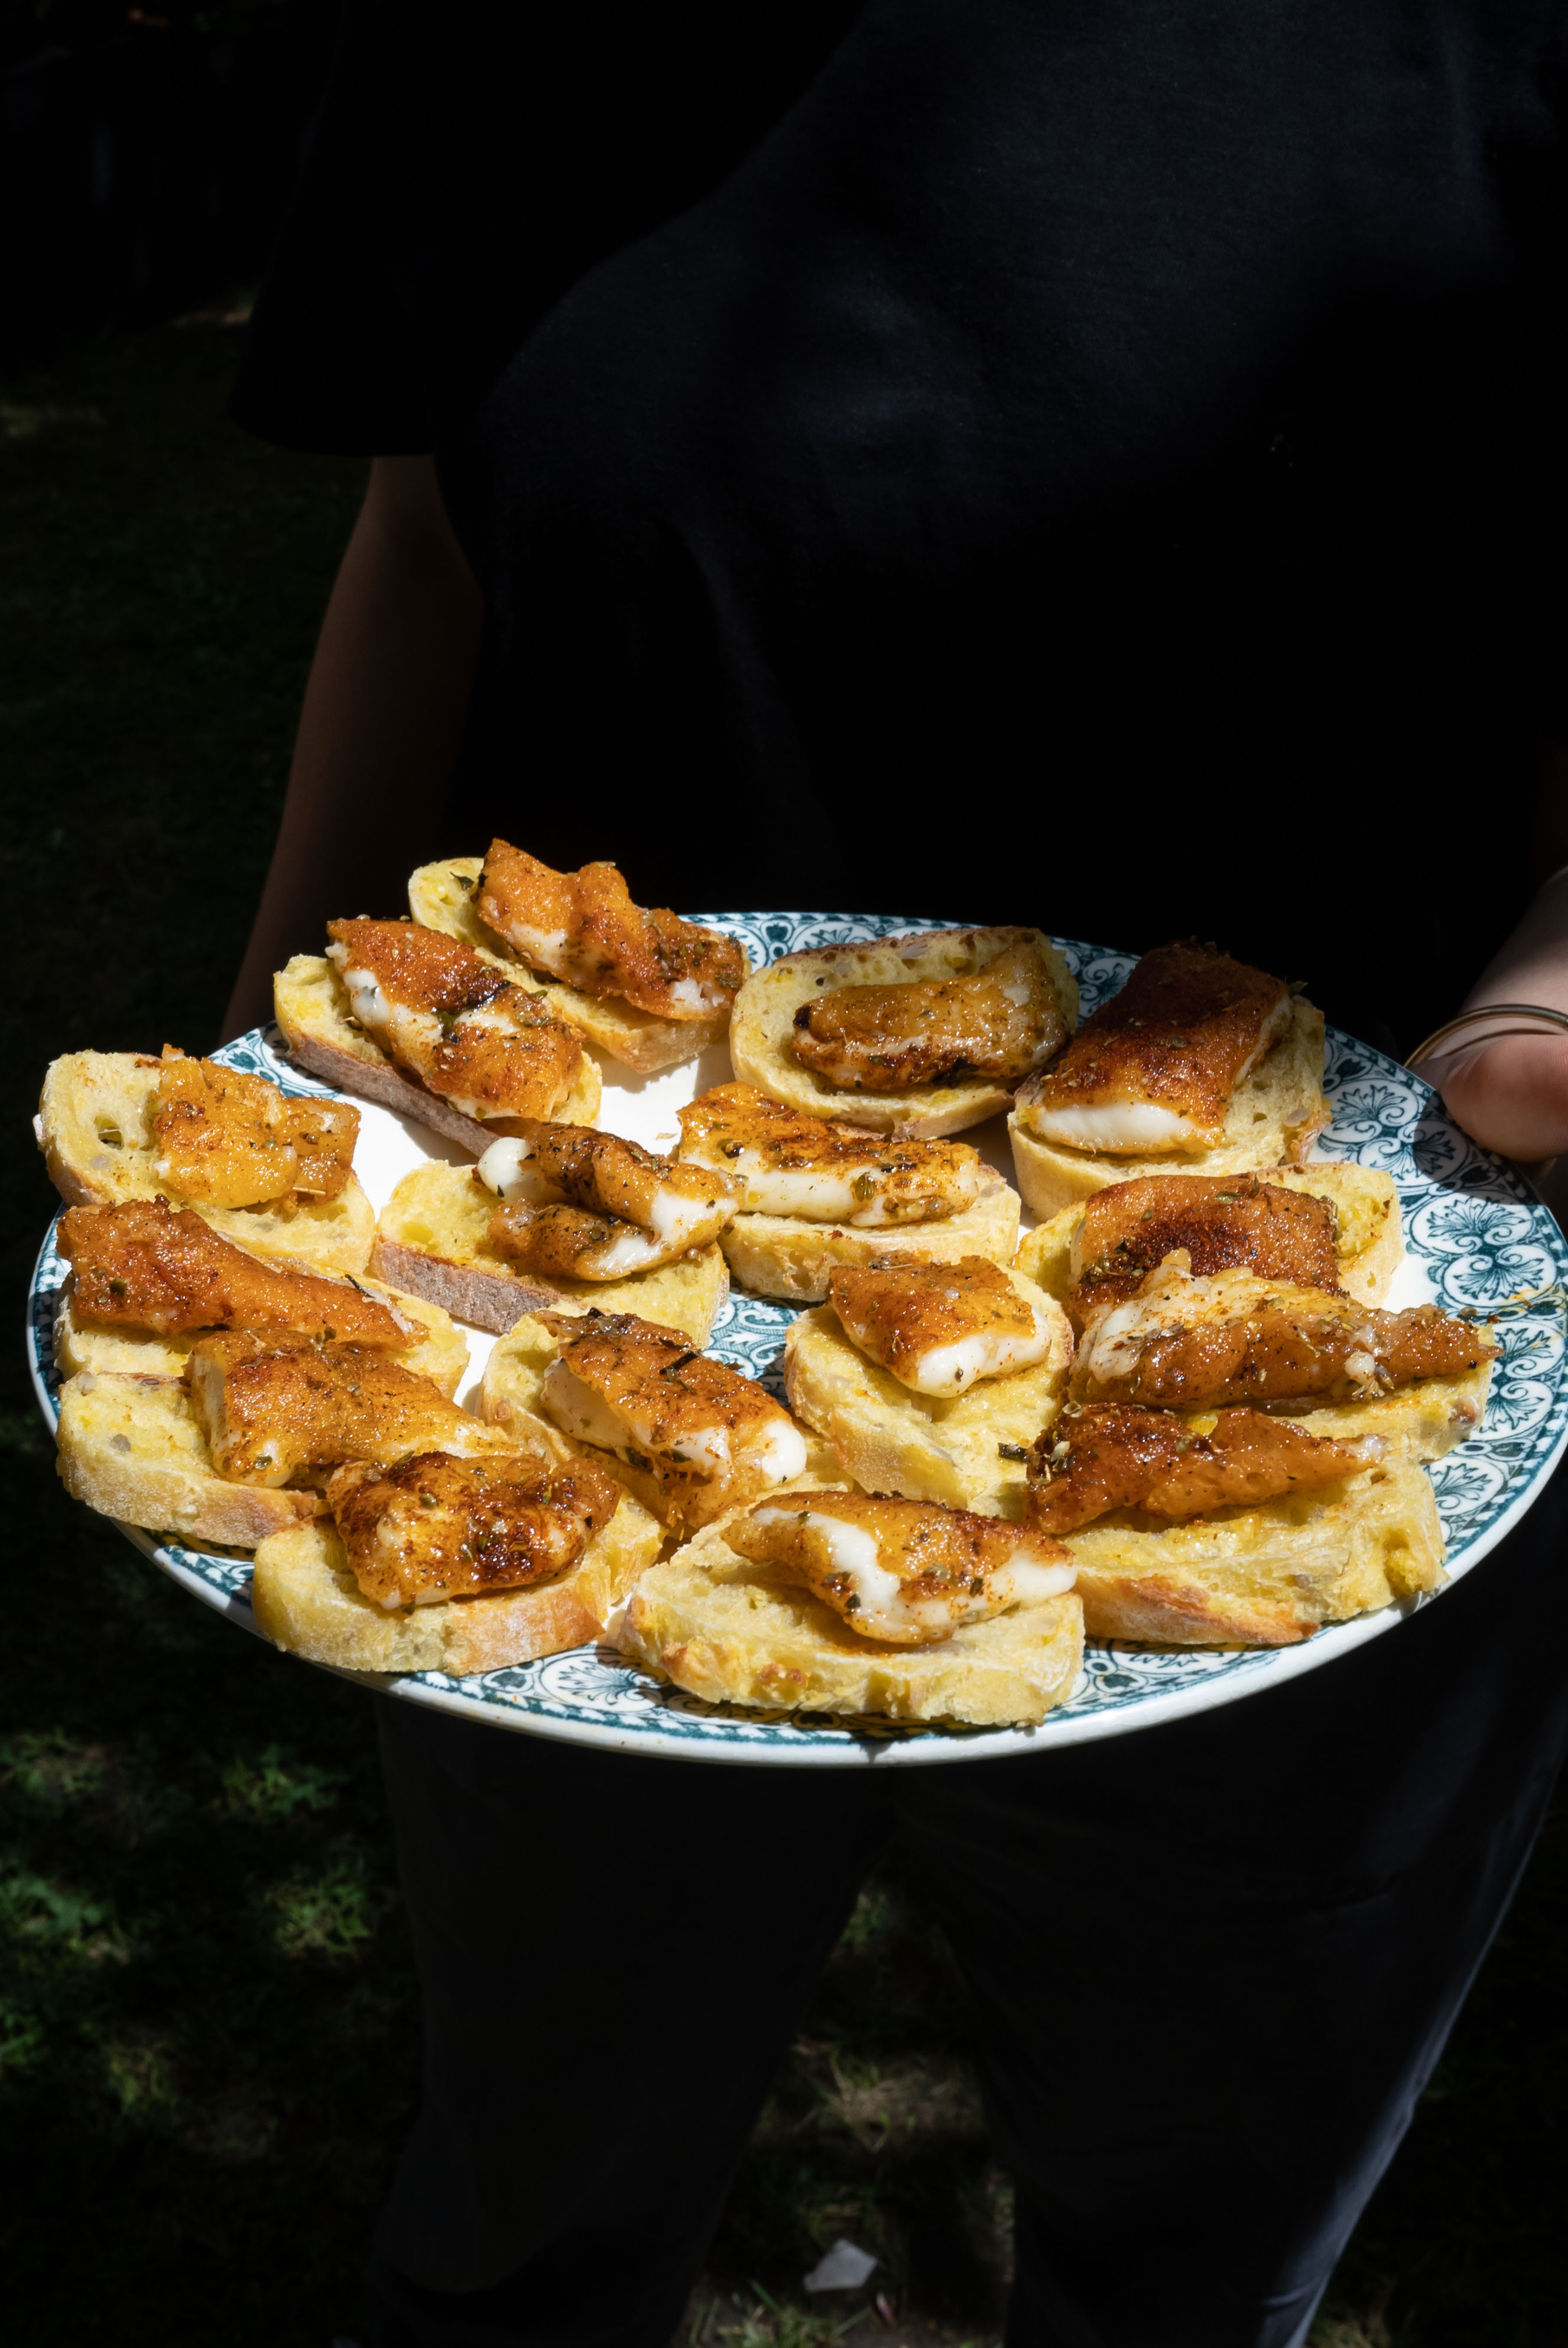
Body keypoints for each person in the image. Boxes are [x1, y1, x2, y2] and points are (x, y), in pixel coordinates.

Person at [223, 7, 1568, 2343]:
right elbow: (426, 540)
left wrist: (1552, 985)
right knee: (539, 2164)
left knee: (1196, 2234)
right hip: (551, 1349)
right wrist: (259, 1070)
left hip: (1329, 1332)